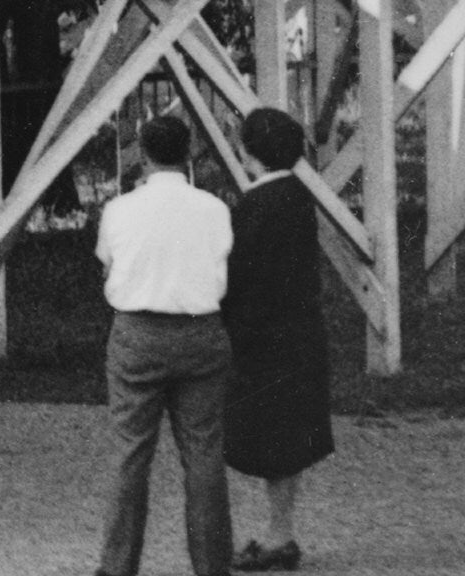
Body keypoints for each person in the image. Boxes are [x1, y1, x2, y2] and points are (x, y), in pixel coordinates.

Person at [94, 116, 235, 576]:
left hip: (138, 333)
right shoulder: (214, 209)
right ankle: (212, 567)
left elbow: (107, 264)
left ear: (143, 155)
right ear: (189, 152)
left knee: (129, 452)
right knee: (204, 452)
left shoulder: (120, 209)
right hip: (201, 333)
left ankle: (117, 566)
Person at [222, 107, 334, 572]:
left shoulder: (254, 206)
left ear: (249, 152)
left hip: (263, 338)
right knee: (285, 442)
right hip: (299, 333)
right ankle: (280, 532)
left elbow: (239, 276)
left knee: (269, 439)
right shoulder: (297, 196)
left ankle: (278, 537)